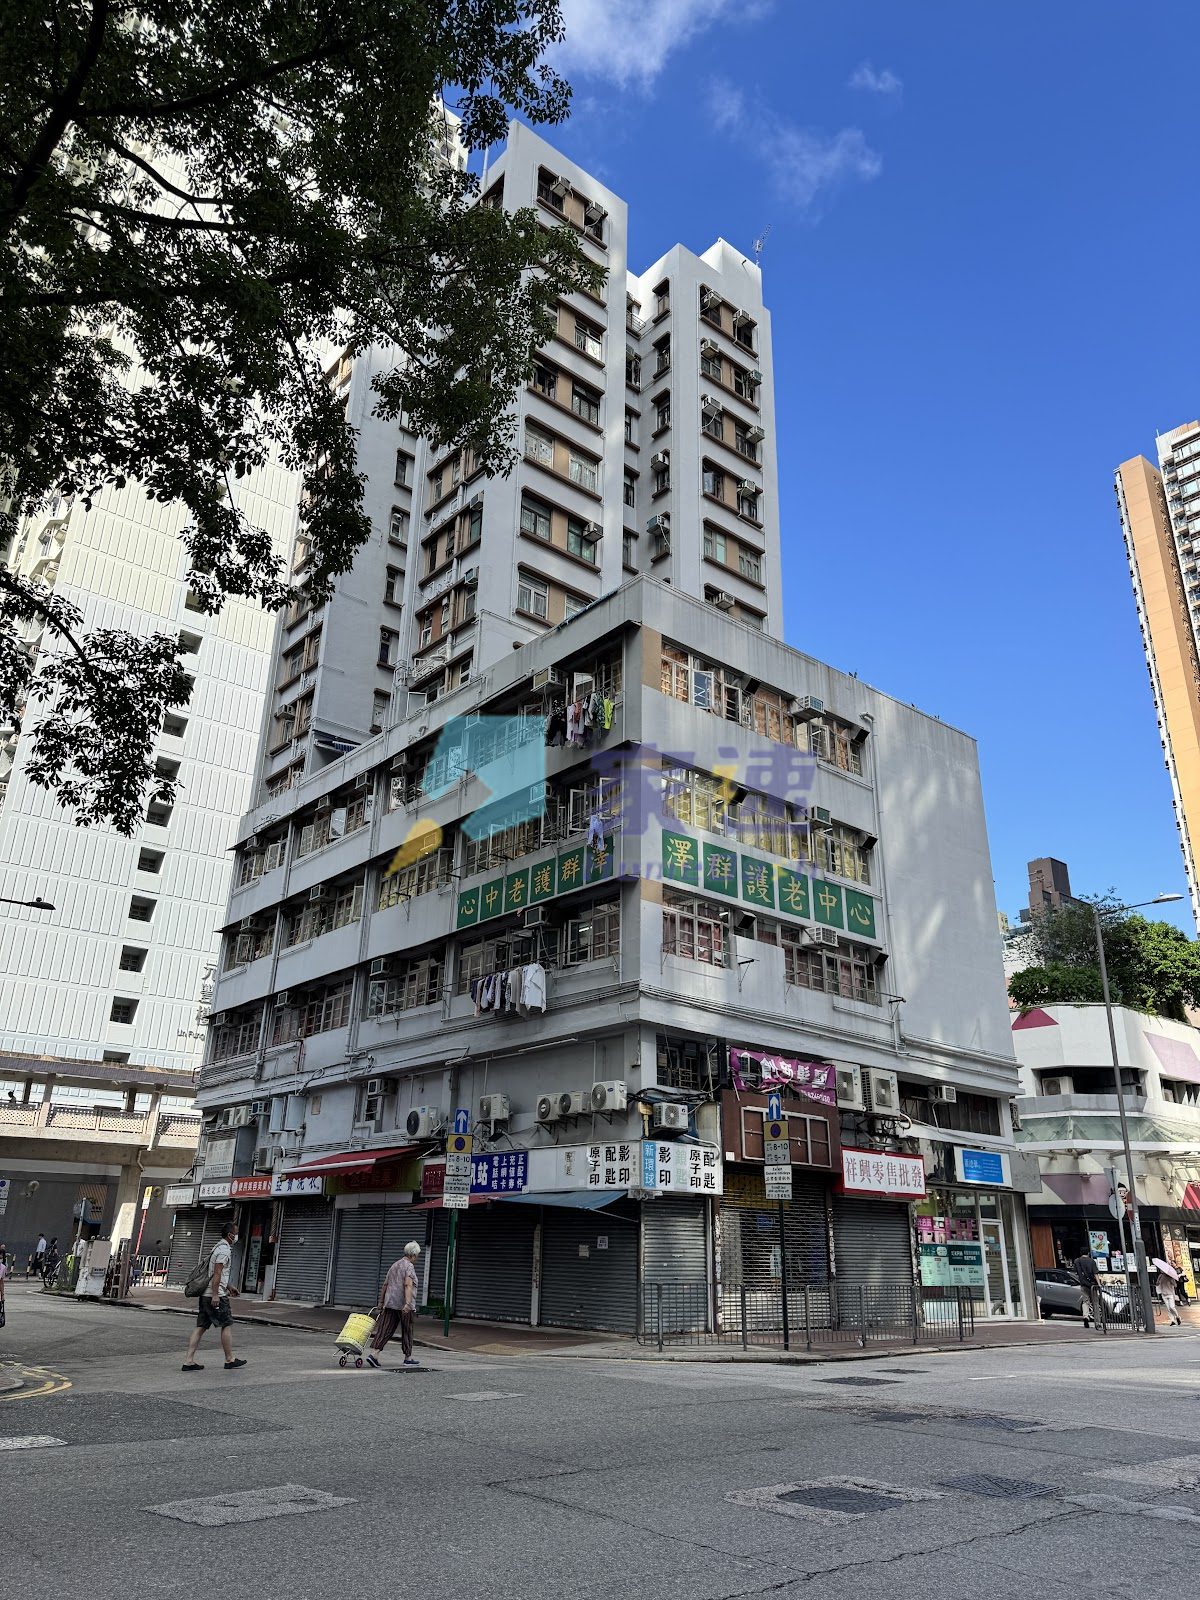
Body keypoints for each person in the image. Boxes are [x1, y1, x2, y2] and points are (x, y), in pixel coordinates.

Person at [182, 1220, 246, 1372]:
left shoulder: (217, 1247)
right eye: (236, 1234)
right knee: (226, 1324)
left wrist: (229, 1286)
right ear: (230, 1235)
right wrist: (216, 1294)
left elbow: (216, 1273)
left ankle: (188, 1361)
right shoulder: (224, 1250)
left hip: (206, 1294)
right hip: (215, 1295)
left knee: (201, 1326)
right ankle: (229, 1359)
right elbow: (217, 1273)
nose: (237, 1236)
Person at [367, 1241, 422, 1368]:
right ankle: (408, 1358)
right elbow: (408, 1285)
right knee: (407, 1330)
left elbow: (385, 1284)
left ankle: (374, 1355)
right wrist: (408, 1303)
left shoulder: (395, 1265)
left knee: (385, 1329)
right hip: (404, 1305)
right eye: (417, 1255)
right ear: (413, 1254)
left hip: (390, 1303)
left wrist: (381, 1302)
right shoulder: (409, 1266)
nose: (417, 1258)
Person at [1071, 1250, 1101, 1328]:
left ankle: (1085, 1316)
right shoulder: (1091, 1261)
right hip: (1092, 1285)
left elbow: (1076, 1272)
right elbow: (1096, 1273)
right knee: (1095, 1303)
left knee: (1085, 1302)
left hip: (1084, 1284)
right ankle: (1097, 1322)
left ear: (1080, 1253)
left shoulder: (1077, 1261)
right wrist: (1099, 1284)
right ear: (1088, 1253)